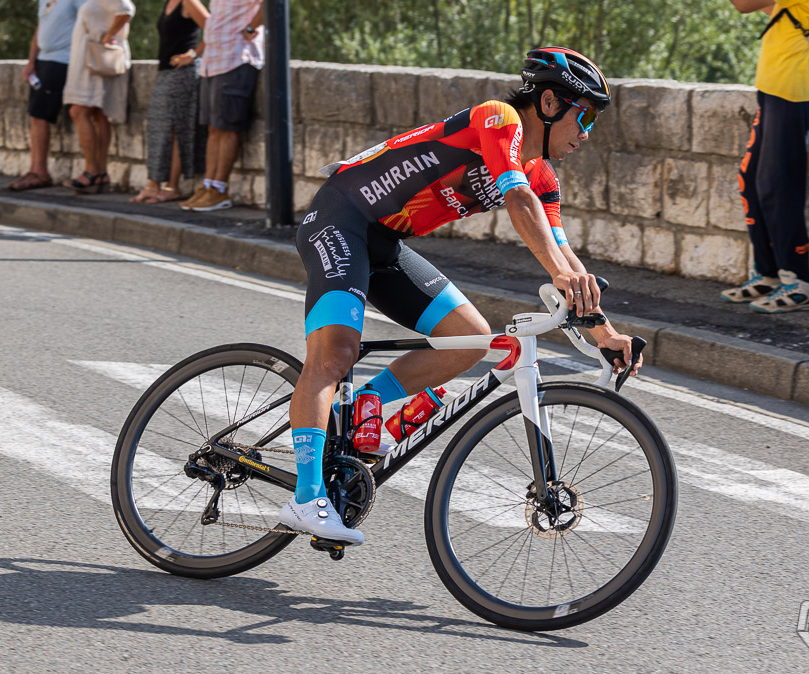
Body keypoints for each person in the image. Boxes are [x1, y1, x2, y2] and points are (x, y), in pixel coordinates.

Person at [278, 47, 644, 545]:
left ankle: (366, 402)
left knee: (471, 341)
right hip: (340, 219)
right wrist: (559, 275)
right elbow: (516, 201)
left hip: (384, 243)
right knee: (335, 353)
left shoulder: (544, 177)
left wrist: (605, 331)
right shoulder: (498, 119)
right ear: (553, 102)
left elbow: (566, 256)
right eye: (586, 117)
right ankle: (304, 497)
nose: (586, 134)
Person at [721, 0, 809, 313]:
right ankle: (769, 273)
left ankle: (798, 281)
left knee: (777, 183)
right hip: (777, 84)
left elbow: (744, 4)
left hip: (796, 85)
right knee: (752, 179)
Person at [178, 0, 263, 212]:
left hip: (235, 59)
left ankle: (219, 188)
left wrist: (251, 27)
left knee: (226, 127)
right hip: (213, 63)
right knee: (213, 128)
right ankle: (208, 186)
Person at [130, 0, 208, 204]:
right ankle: (153, 185)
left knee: (178, 129)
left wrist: (192, 55)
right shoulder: (169, 3)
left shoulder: (189, 2)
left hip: (184, 73)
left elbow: (212, 28)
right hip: (166, 72)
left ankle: (171, 187)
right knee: (158, 128)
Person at [9, 0, 86, 192]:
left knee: (42, 115)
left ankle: (40, 173)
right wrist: (31, 62)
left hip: (62, 60)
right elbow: (39, 29)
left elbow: (88, 24)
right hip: (43, 60)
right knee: (35, 115)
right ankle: (35, 169)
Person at [61, 0, 136, 193]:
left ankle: (91, 171)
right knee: (97, 115)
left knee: (79, 111)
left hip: (98, 58)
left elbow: (126, 10)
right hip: (92, 59)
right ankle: (100, 173)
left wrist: (108, 35)